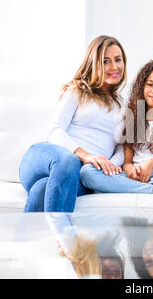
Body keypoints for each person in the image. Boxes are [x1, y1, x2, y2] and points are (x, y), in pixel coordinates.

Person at [19, 35, 127, 212]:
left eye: (118, 59)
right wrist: (86, 156)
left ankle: (29, 240)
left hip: (77, 175)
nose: (114, 67)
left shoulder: (123, 105)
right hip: (47, 158)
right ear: (94, 64)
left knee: (42, 190)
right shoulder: (78, 90)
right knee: (68, 160)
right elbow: (54, 129)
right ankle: (64, 238)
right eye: (106, 61)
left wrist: (105, 166)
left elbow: (122, 148)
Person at [80, 59, 153, 197]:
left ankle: (140, 187)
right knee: (87, 172)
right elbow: (128, 155)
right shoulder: (132, 112)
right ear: (142, 85)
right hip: (134, 174)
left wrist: (152, 162)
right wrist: (128, 166)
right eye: (150, 84)